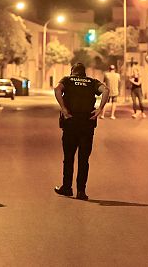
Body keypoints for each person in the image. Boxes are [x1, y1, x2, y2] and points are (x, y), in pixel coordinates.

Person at [53, 63, 108, 200]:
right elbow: (106, 90)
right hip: (87, 124)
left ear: (73, 72)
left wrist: (64, 109)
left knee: (69, 157)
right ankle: (81, 191)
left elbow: (57, 89)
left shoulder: (67, 80)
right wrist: (100, 109)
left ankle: (67, 188)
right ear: (84, 73)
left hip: (70, 123)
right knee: (84, 159)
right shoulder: (92, 82)